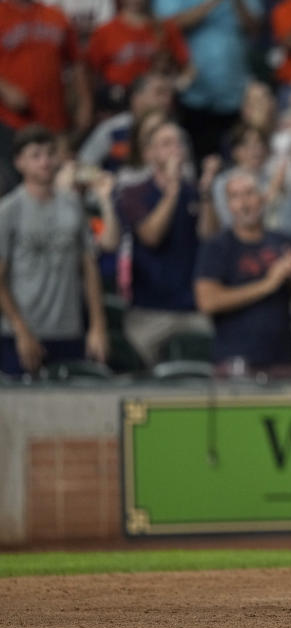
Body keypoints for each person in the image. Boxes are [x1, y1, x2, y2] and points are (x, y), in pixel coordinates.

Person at [0, 125, 108, 376]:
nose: (45, 161)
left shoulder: (73, 205)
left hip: (68, 327)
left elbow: (89, 267)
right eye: (35, 155)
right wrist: (20, 330)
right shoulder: (8, 211)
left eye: (50, 154)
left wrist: (97, 325)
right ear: (19, 162)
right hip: (22, 330)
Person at [194, 170, 291, 378]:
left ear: (263, 197)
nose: (244, 203)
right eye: (235, 196)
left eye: (250, 193)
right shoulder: (217, 247)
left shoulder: (286, 241)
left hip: (285, 361)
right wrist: (268, 284)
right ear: (228, 205)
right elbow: (207, 301)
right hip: (235, 361)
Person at [115, 119, 220, 365]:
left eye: (179, 143)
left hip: (193, 308)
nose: (175, 149)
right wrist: (172, 190)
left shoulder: (194, 191)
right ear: (150, 153)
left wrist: (206, 192)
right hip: (149, 311)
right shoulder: (134, 192)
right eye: (166, 143)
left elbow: (211, 237)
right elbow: (151, 236)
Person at [0, 0, 93, 195]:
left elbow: (76, 63)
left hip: (53, 122)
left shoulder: (55, 15)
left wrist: (85, 103)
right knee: (14, 191)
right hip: (11, 123)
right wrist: (4, 88)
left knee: (59, 189)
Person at [154, 0, 263, 160]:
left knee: (237, 157)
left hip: (235, 92)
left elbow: (255, 27)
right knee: (192, 158)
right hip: (193, 94)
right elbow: (166, 25)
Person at [85, 0, 191, 112]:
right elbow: (91, 74)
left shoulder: (165, 28)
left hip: (157, 106)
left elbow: (188, 68)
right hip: (117, 104)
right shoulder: (104, 31)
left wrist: (175, 87)